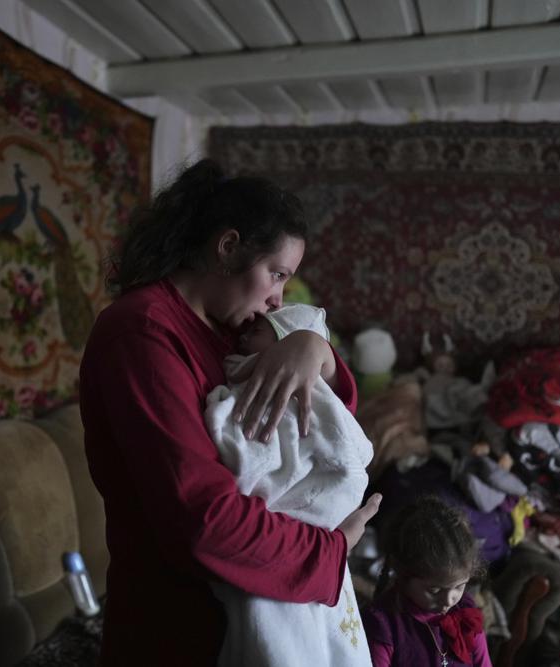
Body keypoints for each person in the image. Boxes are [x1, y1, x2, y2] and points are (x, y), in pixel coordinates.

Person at [79, 158, 382, 666]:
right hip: (181, 631)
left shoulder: (232, 333)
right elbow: (204, 520)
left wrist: (315, 351)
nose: (277, 299)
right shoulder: (141, 333)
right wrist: (330, 552)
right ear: (227, 248)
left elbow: (323, 428)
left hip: (238, 613)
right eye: (276, 274)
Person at [204, 303, 374, 666]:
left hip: (309, 531)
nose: (249, 329)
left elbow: (343, 446)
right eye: (276, 274)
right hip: (286, 542)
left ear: (283, 342)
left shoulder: (294, 386)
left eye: (262, 330)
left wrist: (314, 347)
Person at [362, 495, 492, 667]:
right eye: (435, 590)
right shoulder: (383, 625)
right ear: (404, 575)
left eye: (460, 587)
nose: (449, 600)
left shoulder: (465, 610)